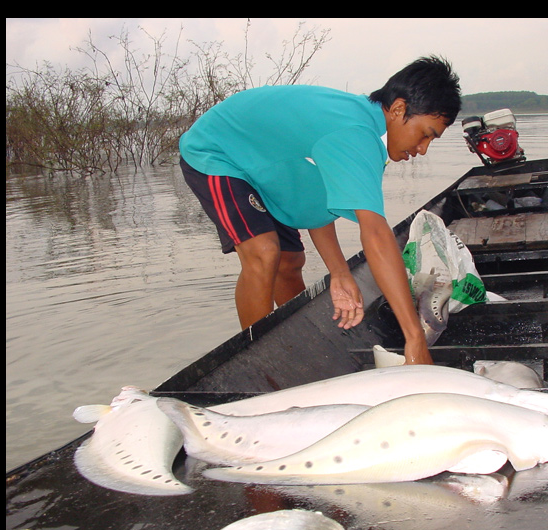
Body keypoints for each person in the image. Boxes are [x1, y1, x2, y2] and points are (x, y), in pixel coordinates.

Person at [179, 56, 461, 365]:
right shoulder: (355, 134)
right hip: (220, 151)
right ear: (398, 109)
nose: (423, 149)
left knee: (290, 263)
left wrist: (339, 273)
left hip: (271, 163)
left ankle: (296, 353)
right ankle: (256, 362)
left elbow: (315, 198)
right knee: (263, 252)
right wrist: (415, 338)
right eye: (425, 134)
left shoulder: (365, 131)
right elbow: (376, 235)